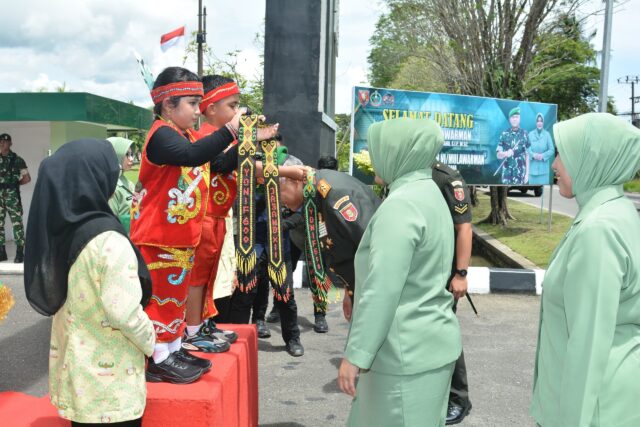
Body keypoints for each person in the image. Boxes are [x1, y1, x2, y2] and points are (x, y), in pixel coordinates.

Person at [129, 66, 277, 384]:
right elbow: (194, 155)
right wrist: (233, 131)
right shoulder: (161, 135)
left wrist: (243, 138)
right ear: (168, 105)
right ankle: (157, 358)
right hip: (158, 237)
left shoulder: (183, 134)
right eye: (192, 104)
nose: (198, 111)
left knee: (175, 297)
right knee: (160, 299)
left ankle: (171, 347)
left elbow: (216, 161)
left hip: (178, 236)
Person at [338, 118, 462, 427]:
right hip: (429, 347)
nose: (373, 155)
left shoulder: (402, 205)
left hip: (403, 356)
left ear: (399, 152)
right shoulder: (430, 193)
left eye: (378, 148)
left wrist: (357, 354)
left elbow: (383, 289)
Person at [24, 139, 155, 426]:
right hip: (113, 390)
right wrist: (151, 341)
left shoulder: (61, 232)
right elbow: (124, 312)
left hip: (78, 380)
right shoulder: (109, 240)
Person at [530, 113, 640, 427]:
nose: (554, 164)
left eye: (564, 153)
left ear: (592, 159)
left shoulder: (598, 230)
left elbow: (587, 346)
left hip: (593, 409)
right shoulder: (616, 211)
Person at [279, 162, 380, 331]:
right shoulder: (317, 196)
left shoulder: (334, 195)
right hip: (361, 288)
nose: (284, 204)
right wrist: (349, 292)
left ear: (294, 181)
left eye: (280, 195)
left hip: (375, 293)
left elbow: (370, 246)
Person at [227, 150, 306, 357]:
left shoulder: (288, 176)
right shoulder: (244, 181)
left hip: (279, 246)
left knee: (285, 295)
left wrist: (283, 224)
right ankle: (237, 338)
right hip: (250, 245)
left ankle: (293, 339)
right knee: (244, 293)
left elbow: (302, 210)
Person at [431, 162, 473, 425]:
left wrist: (461, 274)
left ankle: (459, 399)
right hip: (423, 272)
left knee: (444, 331)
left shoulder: (445, 177)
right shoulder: (402, 171)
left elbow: (464, 227)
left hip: (445, 274)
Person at [0, 133, 30, 263]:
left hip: (12, 196)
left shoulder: (18, 160)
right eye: (0, 141)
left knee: (17, 224)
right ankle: (2, 252)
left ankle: (19, 252)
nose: (2, 143)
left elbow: (27, 178)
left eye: (5, 141)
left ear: (10, 143)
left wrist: (14, 185)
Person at [107, 137, 136, 233]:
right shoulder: (112, 186)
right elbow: (111, 221)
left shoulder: (127, 182)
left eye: (132, 154)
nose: (131, 159)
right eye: (127, 155)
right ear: (116, 156)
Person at [496, 107, 530, 185]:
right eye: (513, 117)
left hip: (520, 175)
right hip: (507, 176)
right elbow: (498, 155)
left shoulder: (525, 134)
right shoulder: (504, 134)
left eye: (516, 117)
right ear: (509, 119)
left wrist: (527, 174)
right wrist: (505, 153)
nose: (515, 119)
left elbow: (527, 155)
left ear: (519, 119)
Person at [527, 113, 554, 185]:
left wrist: (543, 156)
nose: (539, 123)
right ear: (536, 122)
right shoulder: (530, 134)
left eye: (541, 121)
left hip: (544, 171)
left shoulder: (547, 134)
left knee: (543, 192)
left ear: (543, 122)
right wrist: (533, 155)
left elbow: (552, 149)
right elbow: (527, 149)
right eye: (538, 121)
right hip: (532, 171)